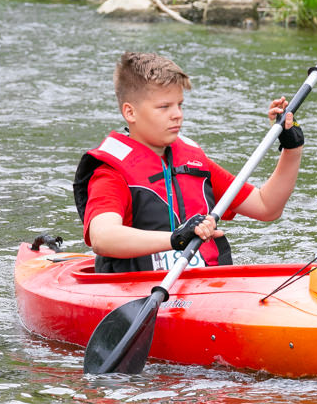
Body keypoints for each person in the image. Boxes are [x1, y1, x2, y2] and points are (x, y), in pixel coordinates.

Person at [73, 52, 304, 273]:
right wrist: (175, 238)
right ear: (130, 112)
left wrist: (292, 147)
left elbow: (267, 207)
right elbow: (102, 237)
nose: (177, 115)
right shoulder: (111, 173)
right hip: (140, 290)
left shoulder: (194, 162)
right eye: (164, 107)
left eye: (179, 105)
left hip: (204, 287)